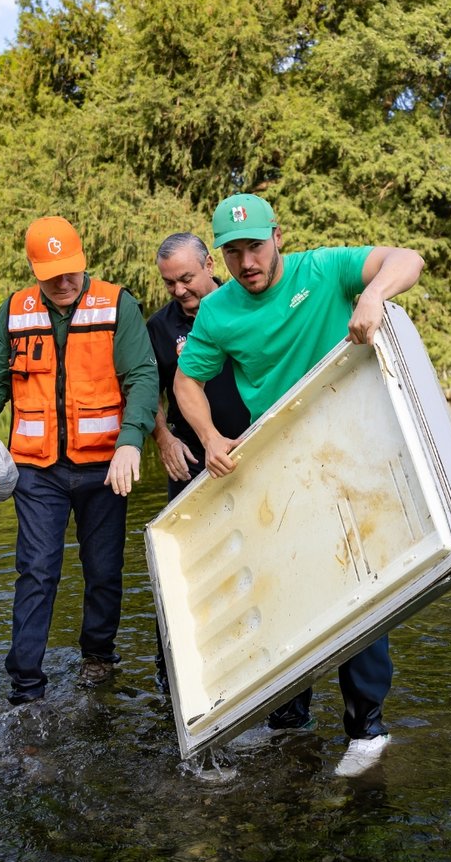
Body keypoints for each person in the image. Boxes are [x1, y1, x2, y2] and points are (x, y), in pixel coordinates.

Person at [172, 192, 422, 777]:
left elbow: (406, 258)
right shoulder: (217, 313)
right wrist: (208, 437)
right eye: (232, 253)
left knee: (358, 579)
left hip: (352, 441)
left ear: (277, 237)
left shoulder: (324, 267)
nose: (246, 262)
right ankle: (291, 721)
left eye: (255, 247)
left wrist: (374, 294)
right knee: (287, 583)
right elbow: (186, 384)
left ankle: (367, 729)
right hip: (279, 458)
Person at [0, 216, 159, 706]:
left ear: (82, 260)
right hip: (35, 468)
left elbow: (143, 377)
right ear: (34, 269)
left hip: (105, 466)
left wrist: (132, 440)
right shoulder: (15, 310)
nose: (64, 282)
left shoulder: (117, 304)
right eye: (52, 275)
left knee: (105, 569)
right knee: (37, 569)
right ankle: (26, 684)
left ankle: (98, 657)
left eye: (71, 271)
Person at [146, 232, 252, 692]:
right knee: (187, 568)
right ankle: (175, 677)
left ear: (210, 264)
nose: (179, 291)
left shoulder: (246, 305)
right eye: (170, 283)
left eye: (186, 278)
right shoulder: (159, 327)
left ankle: (253, 666)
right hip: (190, 461)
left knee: (251, 557)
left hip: (253, 449)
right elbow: (144, 388)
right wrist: (164, 437)